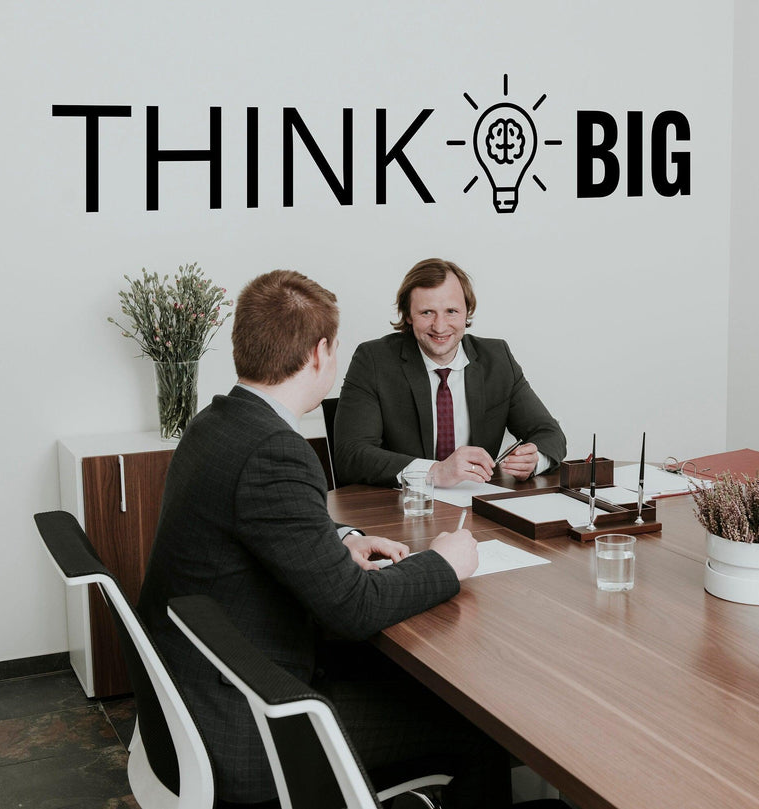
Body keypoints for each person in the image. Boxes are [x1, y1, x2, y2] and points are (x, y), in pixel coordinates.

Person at [137, 270, 510, 807]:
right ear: (318, 354)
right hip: (249, 724)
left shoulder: (217, 421)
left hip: (201, 694)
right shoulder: (275, 451)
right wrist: (446, 563)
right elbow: (354, 608)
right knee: (478, 730)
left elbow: (258, 522)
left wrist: (341, 539)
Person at [334, 258, 567, 488]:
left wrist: (535, 460)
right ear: (408, 315)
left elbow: (549, 433)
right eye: (427, 312)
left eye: (451, 311)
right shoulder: (374, 360)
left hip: (476, 507)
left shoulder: (497, 358)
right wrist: (435, 472)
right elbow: (351, 455)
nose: (440, 326)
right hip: (402, 508)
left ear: (467, 312)